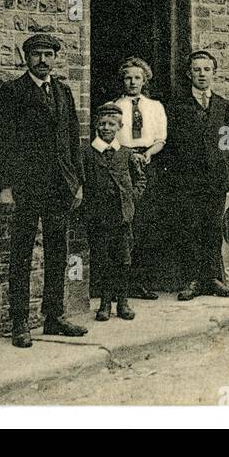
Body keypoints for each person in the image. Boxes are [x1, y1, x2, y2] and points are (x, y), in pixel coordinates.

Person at [0, 30, 88, 348]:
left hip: (60, 186)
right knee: (21, 254)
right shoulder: (13, 91)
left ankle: (54, 317)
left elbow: (73, 139)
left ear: (55, 59)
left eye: (48, 55)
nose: (43, 60)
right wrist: (5, 186)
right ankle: (19, 323)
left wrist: (78, 183)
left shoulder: (63, 92)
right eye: (36, 55)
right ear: (26, 58)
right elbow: (0, 141)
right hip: (27, 187)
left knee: (58, 252)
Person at [163, 49, 229, 301]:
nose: (202, 74)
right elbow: (170, 142)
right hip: (186, 180)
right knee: (189, 228)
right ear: (189, 73)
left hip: (215, 179)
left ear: (213, 73)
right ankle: (192, 280)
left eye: (206, 69)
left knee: (212, 228)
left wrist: (217, 152)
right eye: (197, 69)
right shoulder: (176, 106)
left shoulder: (222, 105)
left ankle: (213, 278)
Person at [81, 102, 146, 321]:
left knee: (124, 259)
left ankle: (124, 302)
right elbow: (83, 181)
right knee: (103, 259)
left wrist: (131, 197)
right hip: (99, 216)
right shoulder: (87, 153)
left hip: (122, 216)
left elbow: (140, 180)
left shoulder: (127, 154)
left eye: (111, 124)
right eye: (102, 124)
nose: (106, 128)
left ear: (120, 126)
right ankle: (105, 303)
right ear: (96, 126)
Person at [113, 56, 167, 299]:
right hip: (122, 166)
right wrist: (127, 156)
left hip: (147, 164)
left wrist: (146, 155)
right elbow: (110, 137)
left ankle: (141, 281)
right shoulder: (115, 106)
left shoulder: (155, 106)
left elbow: (160, 139)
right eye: (128, 77)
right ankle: (119, 284)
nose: (132, 82)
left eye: (137, 77)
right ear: (122, 80)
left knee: (145, 223)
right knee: (124, 224)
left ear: (145, 80)